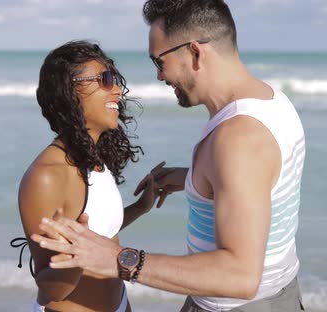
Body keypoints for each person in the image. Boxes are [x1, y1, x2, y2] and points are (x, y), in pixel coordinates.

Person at [32, 1, 306, 311]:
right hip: (281, 293)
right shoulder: (271, 100)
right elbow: (262, 182)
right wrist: (195, 181)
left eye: (158, 62)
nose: (160, 77)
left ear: (195, 53)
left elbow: (240, 277)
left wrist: (119, 259)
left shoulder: (238, 139)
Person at [15, 40, 166, 312]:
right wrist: (75, 258)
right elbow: (50, 289)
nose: (118, 90)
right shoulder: (45, 177)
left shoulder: (91, 157)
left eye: (115, 79)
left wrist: (142, 207)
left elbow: (99, 234)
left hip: (119, 303)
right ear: (70, 91)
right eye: (105, 79)